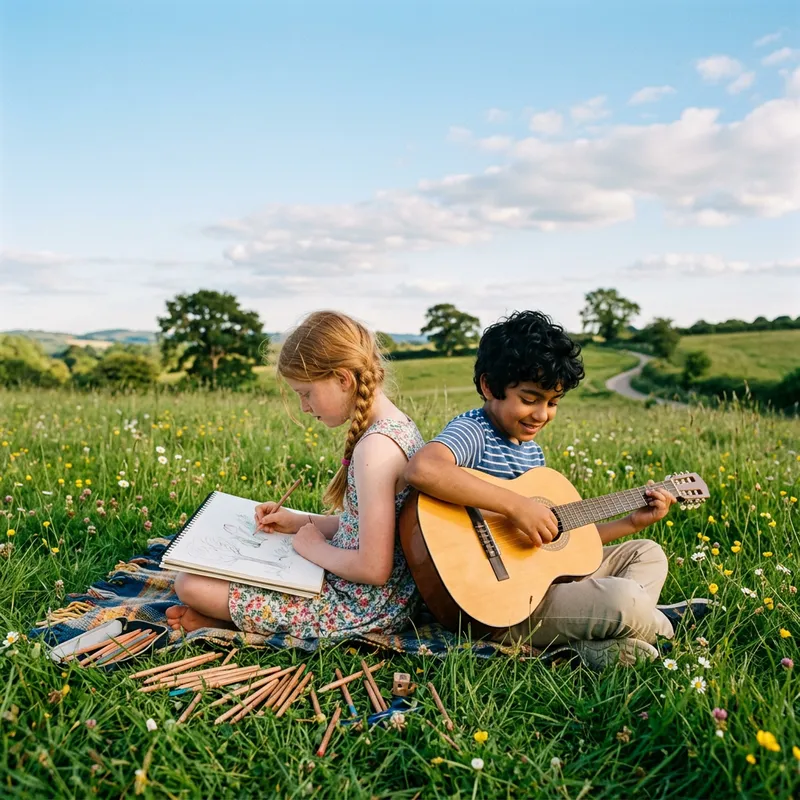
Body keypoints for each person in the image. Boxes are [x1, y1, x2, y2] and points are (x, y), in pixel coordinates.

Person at [404, 310, 708, 669]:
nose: (541, 414)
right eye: (530, 399)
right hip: (500, 608)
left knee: (647, 553)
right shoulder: (475, 431)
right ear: (489, 386)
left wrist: (632, 522)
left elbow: (562, 549)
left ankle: (600, 644)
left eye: (553, 403)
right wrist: (515, 506)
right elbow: (423, 468)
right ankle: (660, 625)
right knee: (623, 597)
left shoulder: (532, 453)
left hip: (540, 586)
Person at [166, 310, 424, 638]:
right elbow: (360, 529)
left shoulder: (376, 449)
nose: (303, 406)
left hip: (363, 606)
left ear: (343, 379)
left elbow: (374, 568)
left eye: (306, 392)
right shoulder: (394, 426)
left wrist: (313, 548)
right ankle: (228, 619)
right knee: (192, 579)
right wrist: (297, 522)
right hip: (377, 596)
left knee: (191, 584)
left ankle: (227, 622)